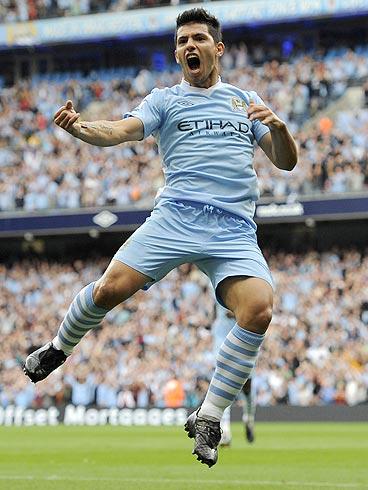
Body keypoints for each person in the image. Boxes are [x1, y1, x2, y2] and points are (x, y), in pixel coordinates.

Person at [23, 8, 298, 467]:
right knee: (110, 289)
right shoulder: (165, 100)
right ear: (177, 52)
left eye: (198, 38)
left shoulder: (245, 101)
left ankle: (210, 416)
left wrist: (281, 129)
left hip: (232, 229)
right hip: (175, 218)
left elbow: (285, 162)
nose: (189, 45)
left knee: (259, 308)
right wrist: (82, 127)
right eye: (182, 40)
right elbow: (121, 130)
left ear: (218, 48)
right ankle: (57, 348)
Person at [213, 304, 257, 447]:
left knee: (247, 389)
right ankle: (225, 432)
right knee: (224, 385)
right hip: (222, 339)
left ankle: (248, 419)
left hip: (244, 340)